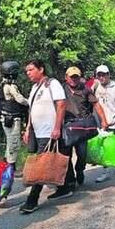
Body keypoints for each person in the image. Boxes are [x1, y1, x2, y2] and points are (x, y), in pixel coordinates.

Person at [20, 59, 75, 214]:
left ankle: (32, 200)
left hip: (49, 131)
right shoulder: (34, 88)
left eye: (31, 69)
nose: (28, 73)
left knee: (41, 165)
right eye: (27, 71)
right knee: (57, 157)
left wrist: (57, 127)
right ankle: (65, 186)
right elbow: (32, 110)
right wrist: (28, 128)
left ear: (41, 69)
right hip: (37, 132)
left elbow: (61, 104)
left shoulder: (53, 84)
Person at [62, 66, 108, 186]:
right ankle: (70, 180)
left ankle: (80, 169)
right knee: (66, 154)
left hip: (82, 126)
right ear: (66, 77)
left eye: (76, 77)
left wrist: (103, 120)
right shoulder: (61, 89)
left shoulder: (85, 89)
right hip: (67, 125)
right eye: (71, 77)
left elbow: (96, 104)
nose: (74, 79)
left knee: (82, 153)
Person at [92, 65, 115, 183]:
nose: (102, 77)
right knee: (103, 148)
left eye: (104, 74)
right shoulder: (96, 88)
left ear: (108, 75)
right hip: (100, 122)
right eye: (99, 75)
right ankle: (105, 171)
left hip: (113, 122)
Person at [0, 61, 28, 173]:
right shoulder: (10, 86)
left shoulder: (2, 85)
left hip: (6, 118)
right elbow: (20, 99)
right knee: (14, 143)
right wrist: (31, 102)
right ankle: (11, 169)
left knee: (10, 142)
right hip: (12, 119)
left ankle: (6, 167)